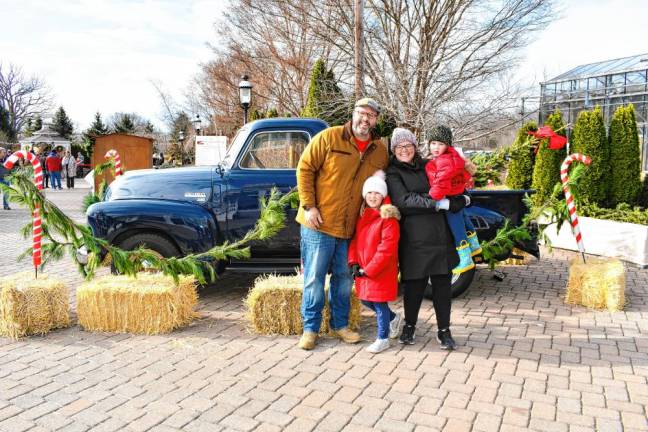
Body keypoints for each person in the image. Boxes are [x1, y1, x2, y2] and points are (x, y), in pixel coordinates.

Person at [296, 97, 389, 350]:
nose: (365, 119)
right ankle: (310, 329)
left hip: (349, 228)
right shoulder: (329, 138)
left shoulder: (379, 150)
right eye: (362, 113)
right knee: (314, 279)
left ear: (376, 120)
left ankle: (340, 325)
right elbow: (305, 169)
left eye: (371, 115)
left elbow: (382, 184)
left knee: (344, 279)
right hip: (319, 223)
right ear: (353, 113)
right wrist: (309, 206)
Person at [386, 127, 470, 350]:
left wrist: (461, 200)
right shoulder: (393, 172)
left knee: (442, 286)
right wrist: (437, 204)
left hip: (440, 234)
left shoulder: (429, 164)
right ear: (394, 150)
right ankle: (410, 326)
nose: (405, 150)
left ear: (415, 146)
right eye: (400, 147)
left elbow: (452, 184)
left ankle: (444, 331)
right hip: (413, 237)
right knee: (414, 286)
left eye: (409, 145)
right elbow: (403, 201)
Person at [348, 171, 401, 353]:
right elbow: (355, 240)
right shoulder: (363, 216)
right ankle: (393, 318)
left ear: (383, 195)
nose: (373, 196)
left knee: (379, 304)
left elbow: (387, 249)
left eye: (377, 193)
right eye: (369, 193)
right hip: (363, 268)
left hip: (380, 269)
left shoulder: (388, 219)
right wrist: (354, 262)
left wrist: (369, 270)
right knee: (365, 299)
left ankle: (382, 338)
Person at [425, 125, 482, 274]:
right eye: (433, 143)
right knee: (464, 220)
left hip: (450, 196)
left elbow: (442, 182)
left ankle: (465, 258)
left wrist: (432, 197)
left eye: (440, 143)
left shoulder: (443, 161)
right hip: (458, 194)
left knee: (457, 228)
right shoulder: (453, 157)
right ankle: (474, 246)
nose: (436, 147)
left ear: (447, 145)